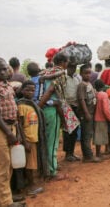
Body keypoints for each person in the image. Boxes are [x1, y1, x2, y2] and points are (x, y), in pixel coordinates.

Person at [0, 57, 24, 207]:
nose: (3, 71)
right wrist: (8, 132)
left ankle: (7, 197)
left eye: (4, 68)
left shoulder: (7, 86)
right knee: (1, 165)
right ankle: (5, 202)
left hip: (9, 126)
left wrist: (14, 130)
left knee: (9, 164)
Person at [38, 52, 69, 180]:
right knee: (52, 141)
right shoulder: (60, 73)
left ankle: (47, 167)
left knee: (45, 140)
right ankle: (52, 172)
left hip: (45, 109)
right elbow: (51, 90)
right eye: (67, 62)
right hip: (51, 109)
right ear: (63, 62)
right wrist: (39, 105)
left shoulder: (46, 72)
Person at [17, 81, 45, 196]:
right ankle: (31, 186)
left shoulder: (31, 104)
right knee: (29, 164)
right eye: (28, 90)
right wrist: (24, 141)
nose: (30, 92)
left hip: (33, 138)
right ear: (22, 90)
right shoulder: (21, 106)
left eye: (33, 90)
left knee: (31, 163)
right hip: (28, 139)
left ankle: (30, 184)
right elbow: (19, 124)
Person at [77, 63, 100, 163]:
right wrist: (86, 113)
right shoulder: (81, 85)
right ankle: (88, 156)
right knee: (86, 135)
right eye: (86, 73)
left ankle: (87, 154)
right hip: (86, 114)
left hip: (91, 112)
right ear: (81, 74)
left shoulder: (89, 84)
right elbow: (82, 100)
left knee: (89, 134)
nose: (88, 75)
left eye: (89, 73)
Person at [63, 62, 82, 162]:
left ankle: (71, 152)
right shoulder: (63, 78)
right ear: (67, 67)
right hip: (67, 106)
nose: (73, 69)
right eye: (71, 67)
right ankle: (68, 154)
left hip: (75, 106)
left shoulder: (77, 78)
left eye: (74, 67)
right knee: (68, 131)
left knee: (74, 131)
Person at [93, 79, 110, 159]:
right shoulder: (104, 95)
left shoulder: (96, 94)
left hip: (95, 117)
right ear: (103, 86)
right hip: (102, 118)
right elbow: (105, 109)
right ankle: (98, 154)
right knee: (100, 136)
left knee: (97, 135)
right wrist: (109, 118)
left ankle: (98, 153)